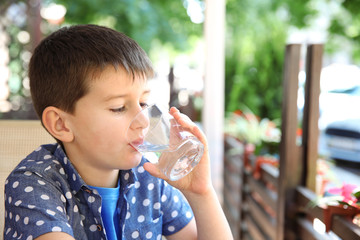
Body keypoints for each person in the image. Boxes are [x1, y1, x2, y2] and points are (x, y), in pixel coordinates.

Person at [4, 24, 233, 240]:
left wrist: (201, 193)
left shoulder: (149, 178)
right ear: (62, 124)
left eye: (143, 103)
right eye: (119, 107)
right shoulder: (33, 184)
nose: (143, 120)